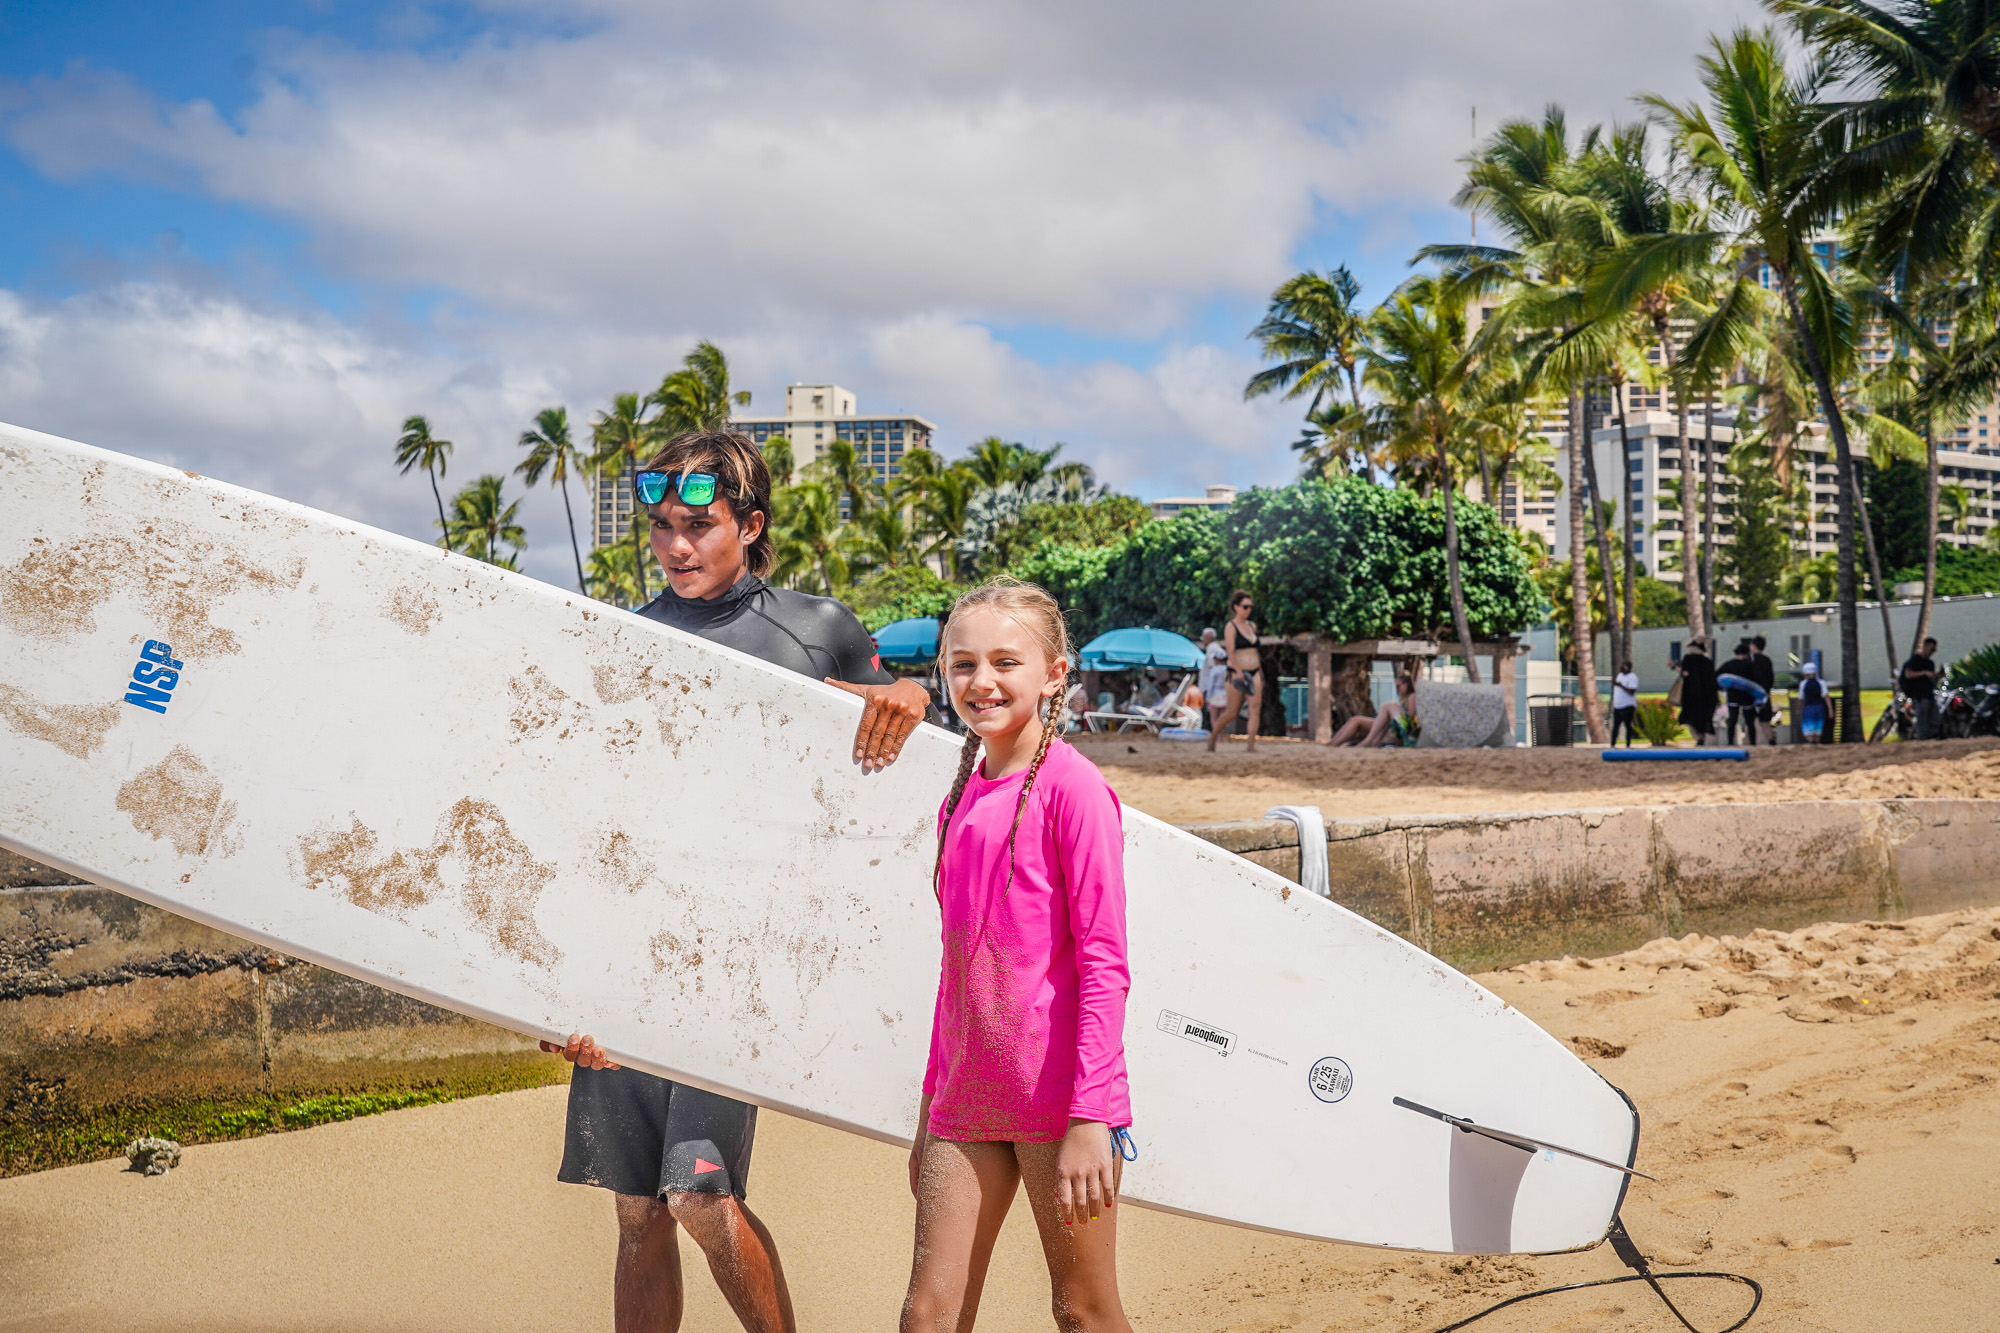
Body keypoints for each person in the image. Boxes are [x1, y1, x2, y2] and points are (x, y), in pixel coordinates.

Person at [545, 429, 931, 1333]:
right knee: (636, 1205)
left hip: (743, 965)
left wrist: (908, 696)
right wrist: (559, 985)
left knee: (697, 1197)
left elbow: (904, 761)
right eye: (663, 526)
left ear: (750, 524)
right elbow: (586, 819)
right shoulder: (631, 637)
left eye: (701, 525)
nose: (677, 546)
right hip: (634, 950)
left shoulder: (817, 628)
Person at [904, 579, 1134, 1333]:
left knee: (1084, 1311)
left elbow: (1105, 963)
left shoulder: (1076, 790)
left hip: (1057, 1101)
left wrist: (1090, 1116)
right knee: (927, 1316)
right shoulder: (959, 794)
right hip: (965, 1099)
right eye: (963, 663)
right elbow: (956, 970)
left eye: (1006, 661)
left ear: (1054, 673)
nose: (983, 681)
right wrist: (929, 1104)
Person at [1206, 591, 1264, 753]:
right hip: (1236, 672)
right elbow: (1231, 651)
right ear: (1236, 607)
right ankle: (1213, 738)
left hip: (1254, 671)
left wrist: (1260, 672)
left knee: (1255, 708)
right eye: (1245, 607)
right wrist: (1238, 672)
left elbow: (1256, 652)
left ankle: (1251, 745)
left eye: (1250, 607)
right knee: (1232, 711)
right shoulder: (1230, 627)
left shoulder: (1252, 626)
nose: (1248, 610)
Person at [1327, 674, 1419, 748]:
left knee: (1388, 705)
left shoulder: (1412, 696)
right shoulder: (1404, 698)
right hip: (1394, 727)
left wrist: (1390, 719)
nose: (1397, 689)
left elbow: (1410, 716)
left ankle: (1369, 741)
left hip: (1404, 729)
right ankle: (1332, 744)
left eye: (1398, 686)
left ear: (1405, 684)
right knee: (1355, 720)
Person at [1677, 638, 1719, 748]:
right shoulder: (1708, 662)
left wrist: (1673, 666)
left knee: (1691, 718)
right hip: (1707, 695)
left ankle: (1698, 738)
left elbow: (1685, 673)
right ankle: (1702, 738)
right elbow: (1713, 680)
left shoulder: (1688, 659)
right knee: (1704, 719)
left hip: (1691, 695)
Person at [1901, 636, 1941, 740]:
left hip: (1929, 695)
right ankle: (1921, 740)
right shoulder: (1915, 660)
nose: (1932, 652)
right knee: (1922, 719)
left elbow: (1931, 679)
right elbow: (1908, 674)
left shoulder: (1930, 663)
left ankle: (1931, 739)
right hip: (1918, 695)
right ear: (1925, 647)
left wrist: (1936, 676)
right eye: (1931, 649)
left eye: (1934, 650)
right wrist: (1924, 673)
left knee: (1935, 719)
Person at [1722, 641, 1759, 746]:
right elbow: (1756, 679)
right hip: (1747, 696)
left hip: (1733, 696)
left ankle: (1730, 742)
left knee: (1732, 720)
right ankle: (1753, 743)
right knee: (1749, 722)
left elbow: (1718, 677)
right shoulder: (1750, 665)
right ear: (1746, 654)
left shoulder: (1728, 665)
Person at [1747, 636, 1777, 745]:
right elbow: (1771, 678)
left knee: (1749, 721)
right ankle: (1771, 740)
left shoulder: (1749, 659)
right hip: (1764, 694)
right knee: (1765, 722)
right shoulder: (1767, 660)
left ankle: (1751, 743)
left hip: (1751, 694)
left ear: (1753, 646)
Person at [1199, 628, 1229, 732]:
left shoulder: (1212, 649)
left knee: (1213, 716)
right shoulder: (1214, 649)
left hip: (1213, 691)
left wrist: (1208, 695)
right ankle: (1219, 735)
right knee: (1221, 715)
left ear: (1207, 638)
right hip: (1222, 693)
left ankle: (1215, 735)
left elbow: (1212, 673)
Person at [1797, 660, 1829, 743]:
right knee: (1818, 731)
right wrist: (1830, 710)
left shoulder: (1803, 684)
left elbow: (1801, 699)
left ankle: (1811, 742)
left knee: (1808, 730)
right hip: (1820, 708)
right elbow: (1826, 697)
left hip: (1808, 708)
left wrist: (1799, 710)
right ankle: (1817, 744)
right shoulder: (1821, 683)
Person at [1610, 660, 1640, 748]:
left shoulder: (1632, 677)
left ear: (1627, 667)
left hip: (1628, 705)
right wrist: (1615, 684)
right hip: (1618, 706)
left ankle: (1628, 744)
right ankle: (1612, 744)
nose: (1620, 668)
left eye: (1622, 666)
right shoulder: (1620, 676)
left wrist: (1620, 685)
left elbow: (1632, 691)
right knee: (1616, 726)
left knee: (1627, 725)